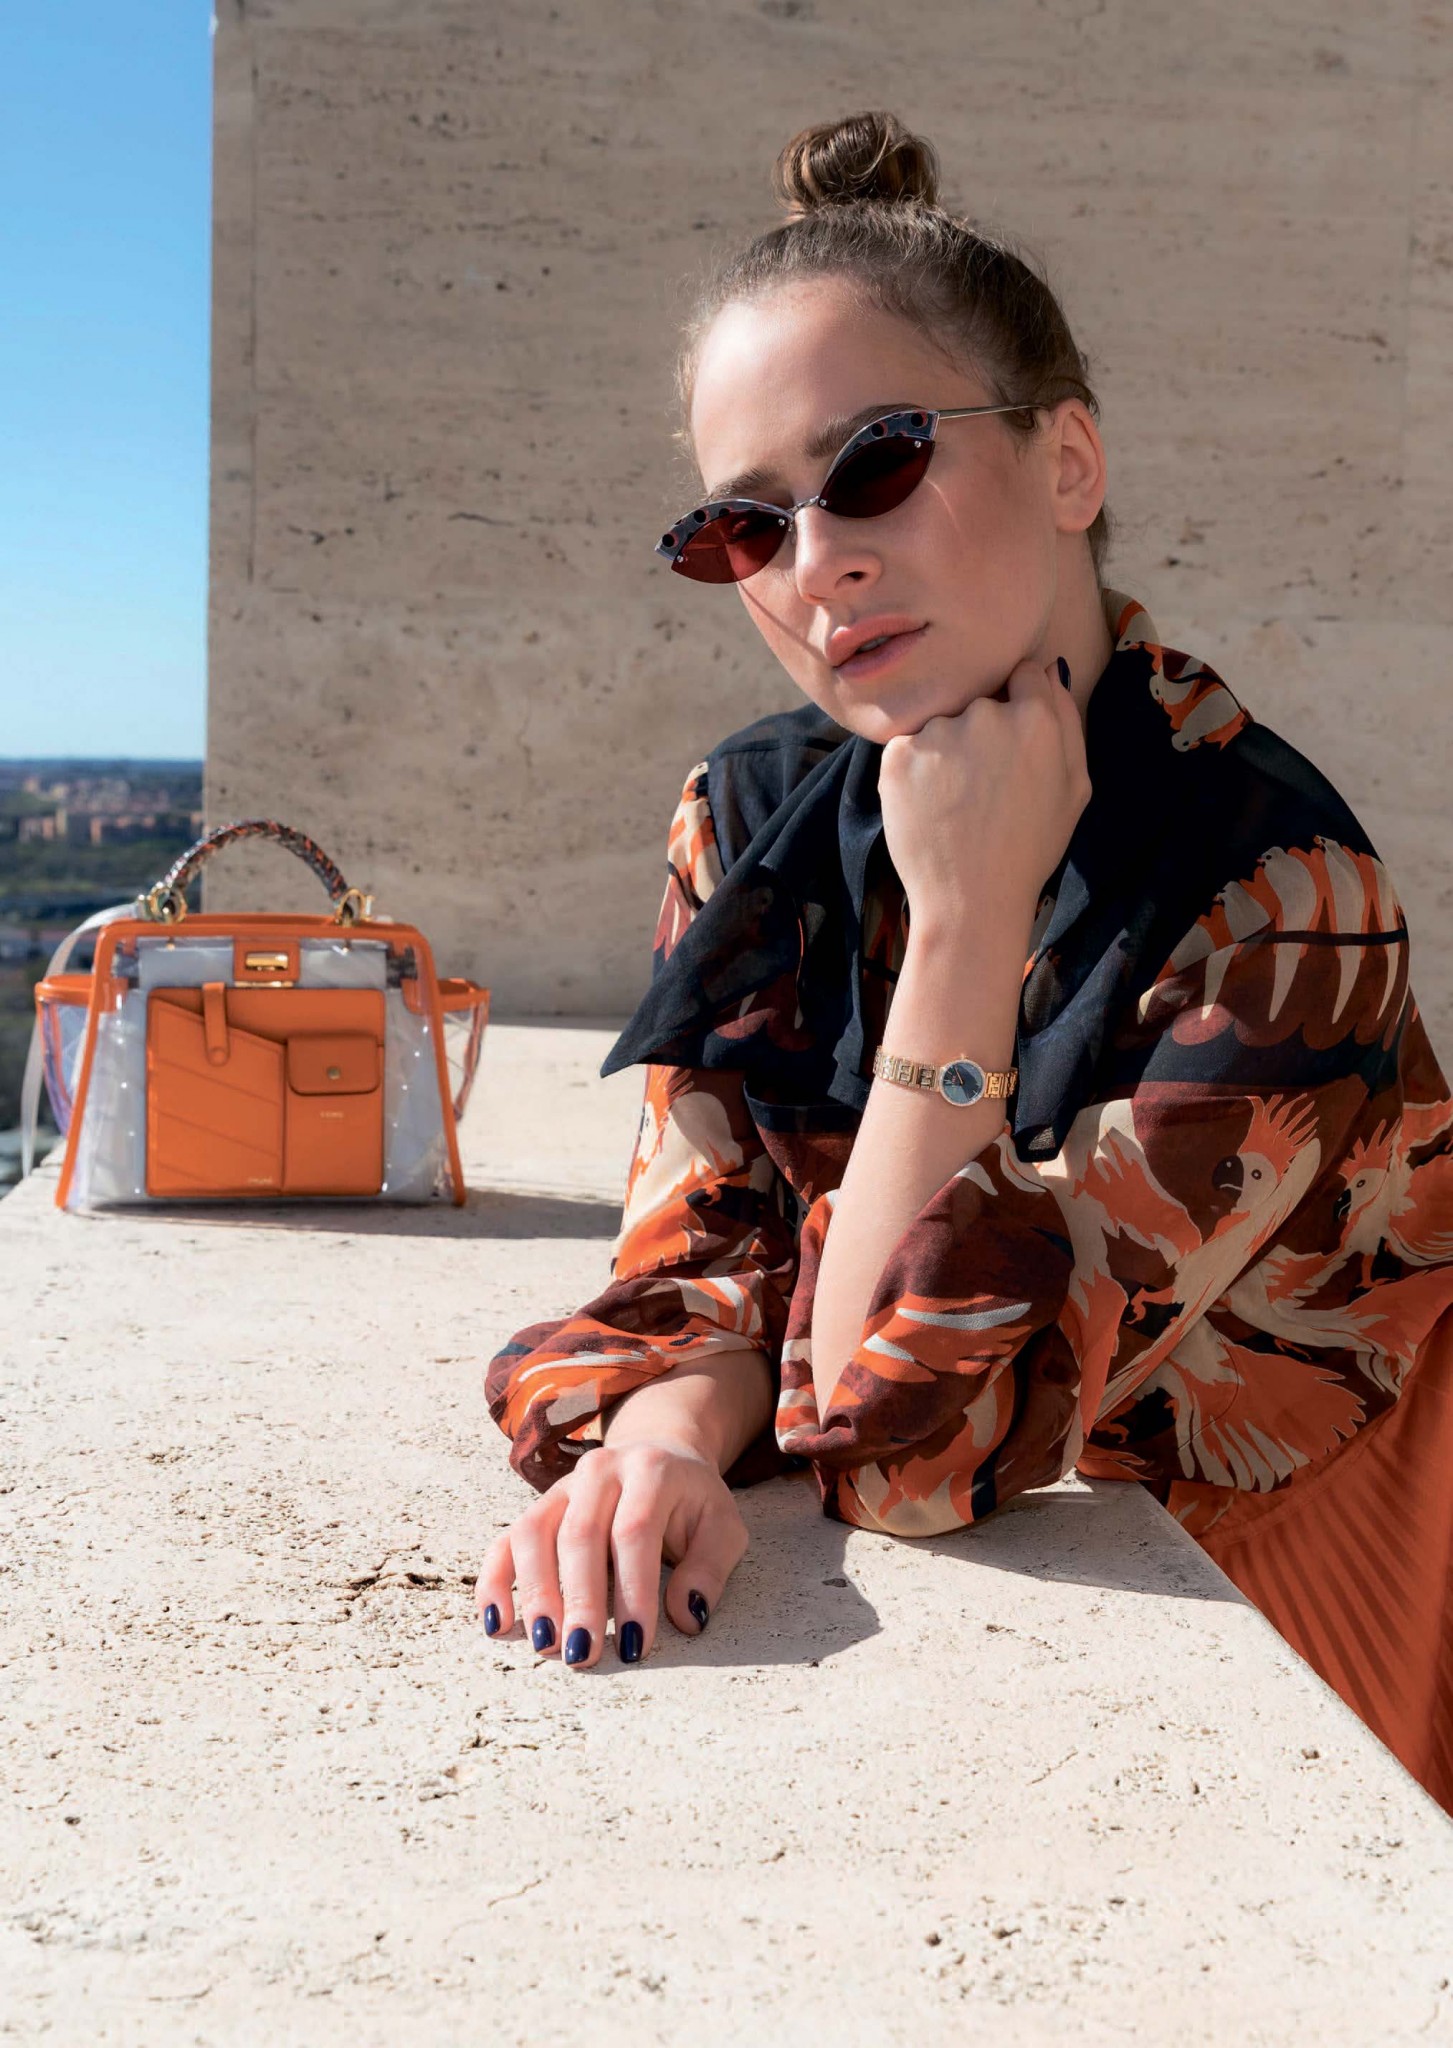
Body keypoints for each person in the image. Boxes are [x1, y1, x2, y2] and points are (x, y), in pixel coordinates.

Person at [477, 111, 1453, 1815]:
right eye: (742, 527)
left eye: (875, 463)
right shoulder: (750, 817)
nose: (817, 565)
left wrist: (965, 919)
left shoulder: (1281, 893)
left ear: (1067, 462)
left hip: (1300, 1608)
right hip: (1014, 1663)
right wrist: (663, 1444)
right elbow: (708, 1247)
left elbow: (909, 1446)